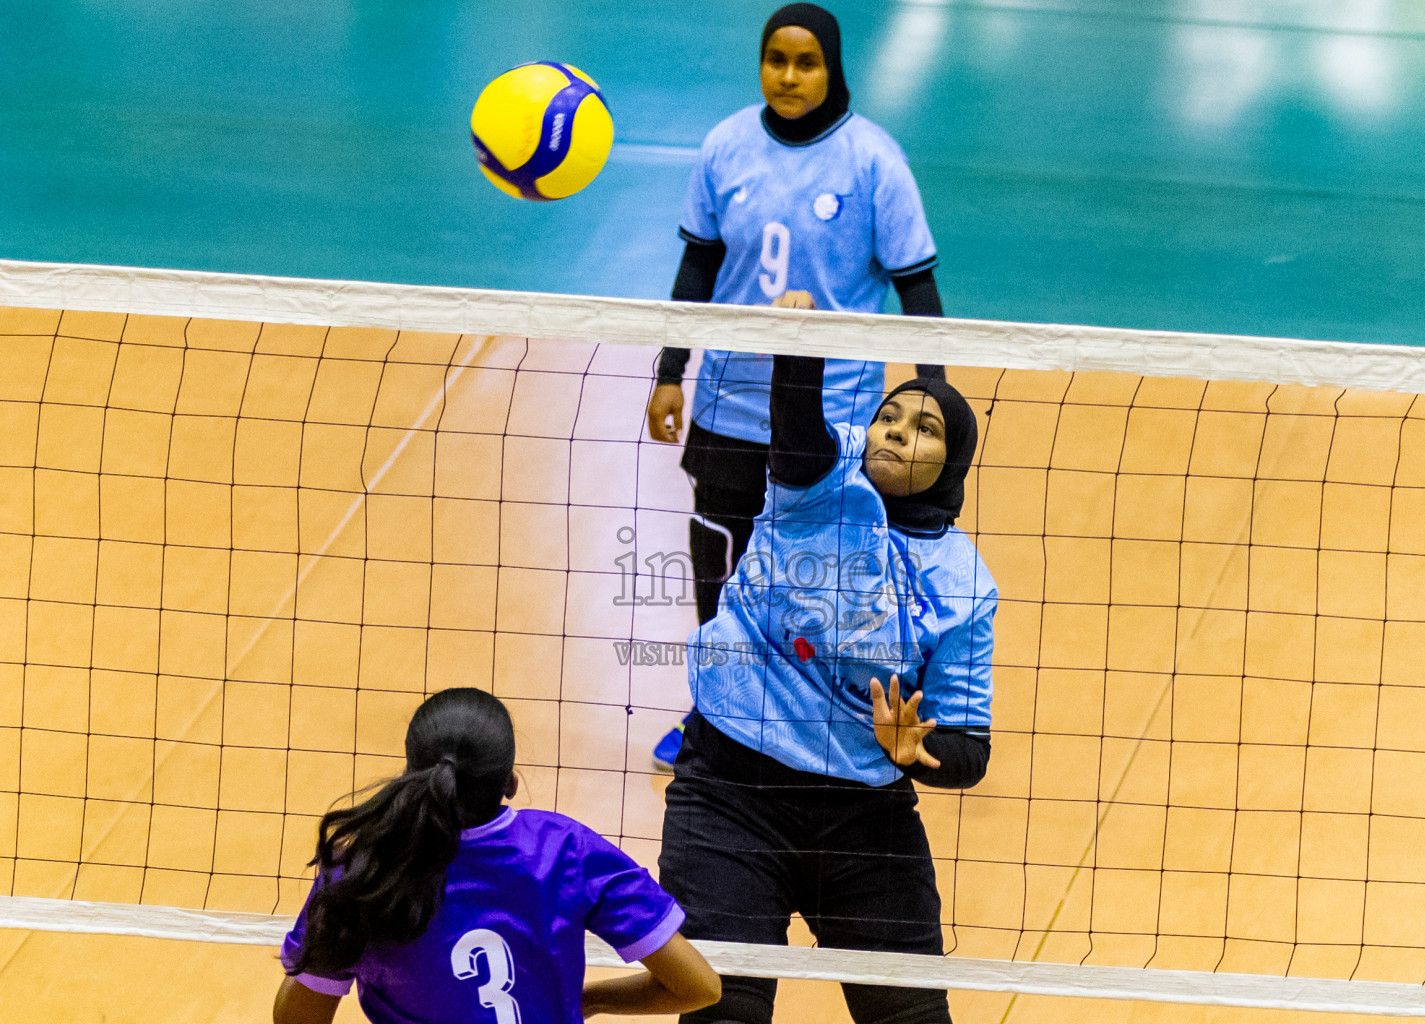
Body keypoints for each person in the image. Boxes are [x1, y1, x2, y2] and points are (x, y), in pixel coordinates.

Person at [658, 316, 998, 1024]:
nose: (898, 432)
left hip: (864, 821)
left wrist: (922, 754)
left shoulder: (966, 583)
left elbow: (970, 749)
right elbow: (794, 418)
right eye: (889, 416)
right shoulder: (822, 477)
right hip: (730, 795)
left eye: (927, 429)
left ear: (953, 462)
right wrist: (797, 332)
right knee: (724, 1012)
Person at [648, 2, 946, 771]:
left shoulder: (874, 162)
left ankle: (823, 716)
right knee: (719, 563)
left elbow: (917, 289)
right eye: (775, 59)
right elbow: (697, 268)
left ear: (833, 67)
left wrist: (934, 400)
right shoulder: (726, 146)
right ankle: (713, 709)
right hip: (728, 403)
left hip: (832, 421)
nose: (788, 76)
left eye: (805, 62)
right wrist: (671, 371)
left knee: (819, 576)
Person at [272, 687, 720, 1024]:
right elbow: (698, 987)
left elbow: (297, 1020)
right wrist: (591, 999)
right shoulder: (566, 849)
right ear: (510, 783)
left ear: (410, 775)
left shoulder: (364, 865)